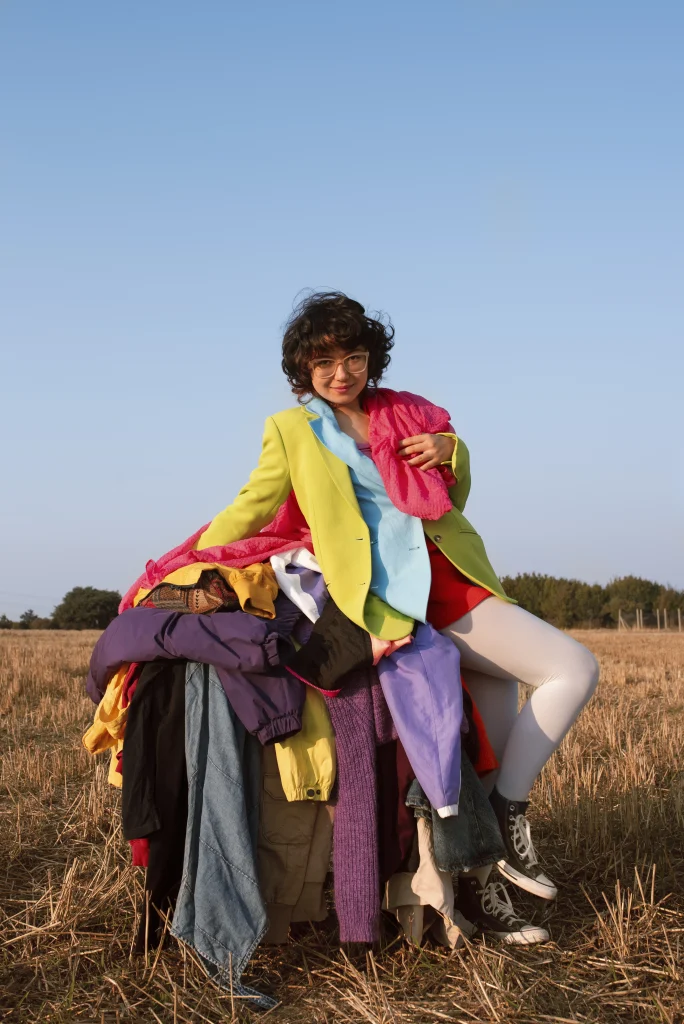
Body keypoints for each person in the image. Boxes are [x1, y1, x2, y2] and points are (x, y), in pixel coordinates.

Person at [198, 291, 599, 944]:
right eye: (324, 361)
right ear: (303, 367)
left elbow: (452, 498)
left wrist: (451, 451)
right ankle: (507, 822)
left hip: (451, 571)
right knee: (574, 668)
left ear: (369, 359)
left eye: (353, 357)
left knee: (491, 746)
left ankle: (482, 878)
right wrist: (187, 566)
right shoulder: (293, 431)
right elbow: (251, 505)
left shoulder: (409, 414)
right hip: (390, 593)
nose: (341, 373)